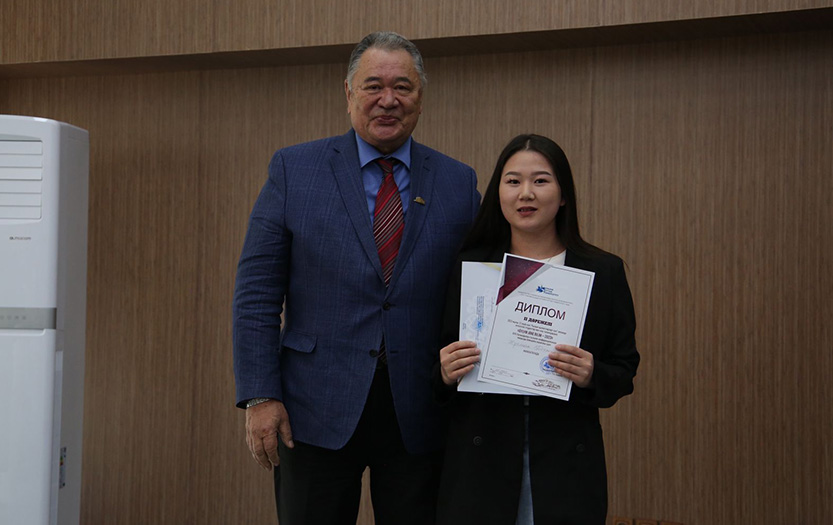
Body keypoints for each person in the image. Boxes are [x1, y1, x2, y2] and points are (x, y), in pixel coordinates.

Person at [232, 31, 480, 525]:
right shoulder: (294, 169)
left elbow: (481, 285)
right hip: (312, 408)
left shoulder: (458, 181)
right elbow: (256, 294)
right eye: (373, 86)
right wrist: (261, 395)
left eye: (402, 87)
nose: (388, 100)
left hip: (421, 410)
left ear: (421, 97)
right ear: (348, 93)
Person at [435, 134, 639, 524]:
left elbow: (624, 369)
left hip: (564, 461)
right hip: (481, 461)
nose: (525, 193)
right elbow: (437, 361)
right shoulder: (471, 268)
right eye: (513, 181)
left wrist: (591, 374)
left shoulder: (602, 270)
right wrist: (445, 371)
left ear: (563, 195)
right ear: (498, 193)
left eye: (541, 181)